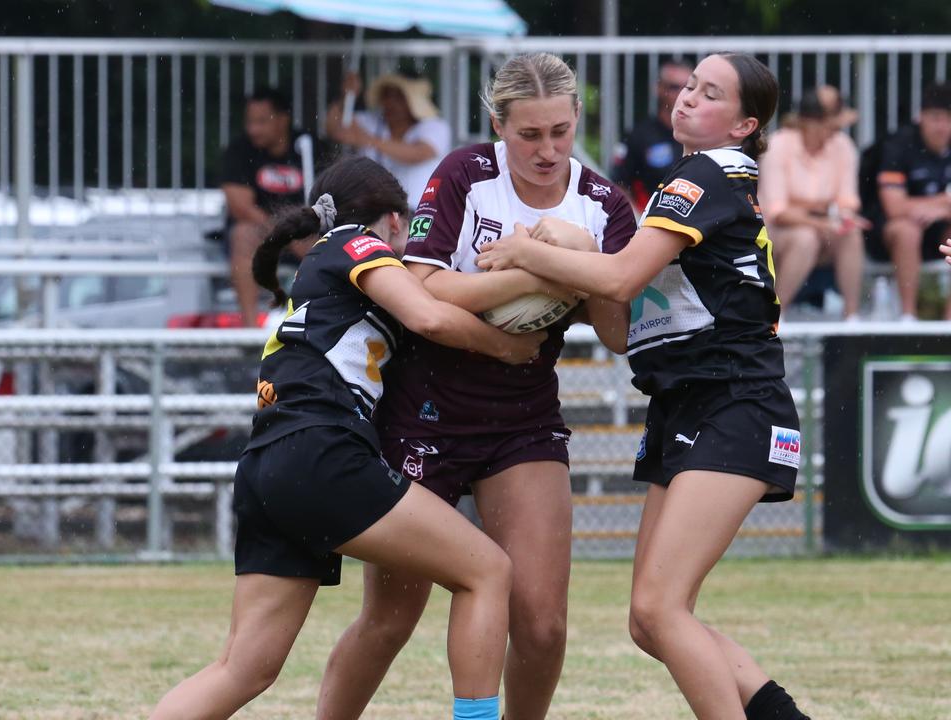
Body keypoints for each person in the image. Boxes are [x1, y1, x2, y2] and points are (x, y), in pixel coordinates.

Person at [150, 156, 550, 720]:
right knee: (487, 571)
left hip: (268, 462)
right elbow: (429, 316)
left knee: (243, 668)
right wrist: (509, 340)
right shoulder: (354, 243)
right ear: (391, 220)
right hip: (321, 452)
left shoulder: (321, 266)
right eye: (406, 229)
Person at [476, 53, 814, 720]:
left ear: (745, 124)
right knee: (651, 619)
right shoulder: (701, 178)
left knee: (660, 609)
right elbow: (626, 315)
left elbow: (622, 282)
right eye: (690, 86)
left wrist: (527, 253)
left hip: (734, 400)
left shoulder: (707, 175)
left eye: (709, 94)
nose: (688, 99)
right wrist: (578, 250)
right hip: (694, 401)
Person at [316, 53, 637, 720]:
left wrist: (579, 256)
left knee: (544, 625)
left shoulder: (601, 204)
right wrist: (531, 269)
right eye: (529, 135)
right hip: (424, 410)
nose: (547, 151)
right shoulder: (466, 173)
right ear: (498, 123)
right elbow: (425, 288)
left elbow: (620, 332)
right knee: (390, 620)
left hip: (523, 415)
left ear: (577, 118)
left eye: (559, 131)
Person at [760, 91, 868, 320]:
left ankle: (852, 316)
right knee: (804, 237)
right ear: (810, 123)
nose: (837, 132)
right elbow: (777, 212)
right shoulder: (778, 145)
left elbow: (848, 202)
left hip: (820, 226)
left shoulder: (842, 145)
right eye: (833, 125)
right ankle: (775, 315)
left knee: (851, 233)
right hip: (775, 234)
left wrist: (838, 217)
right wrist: (822, 218)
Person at [219, 88, 321, 327]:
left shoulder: (310, 146)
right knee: (242, 234)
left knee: (333, 242)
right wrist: (288, 235)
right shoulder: (240, 149)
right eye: (250, 122)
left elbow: (332, 196)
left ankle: (323, 325)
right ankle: (251, 330)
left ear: (283, 118)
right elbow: (241, 207)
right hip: (262, 235)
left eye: (262, 121)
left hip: (306, 232)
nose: (253, 129)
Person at [863, 82, 951, 321]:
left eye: (948, 119)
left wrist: (940, 208)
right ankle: (908, 317)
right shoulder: (898, 145)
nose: (942, 127)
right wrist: (943, 202)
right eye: (936, 118)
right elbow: (895, 208)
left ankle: (948, 321)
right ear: (920, 117)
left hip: (940, 234)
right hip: (888, 236)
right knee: (907, 230)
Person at [327, 71, 453, 211]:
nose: (390, 102)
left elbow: (418, 153)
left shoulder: (435, 126)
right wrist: (346, 97)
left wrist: (368, 140)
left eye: (398, 97)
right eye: (387, 95)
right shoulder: (372, 122)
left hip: (419, 210)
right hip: (376, 210)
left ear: (414, 101)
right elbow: (336, 130)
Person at [613, 61, 693, 212]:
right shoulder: (639, 136)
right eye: (675, 87)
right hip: (650, 224)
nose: (683, 94)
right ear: (658, 88)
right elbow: (619, 184)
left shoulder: (706, 135)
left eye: (689, 88)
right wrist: (637, 221)